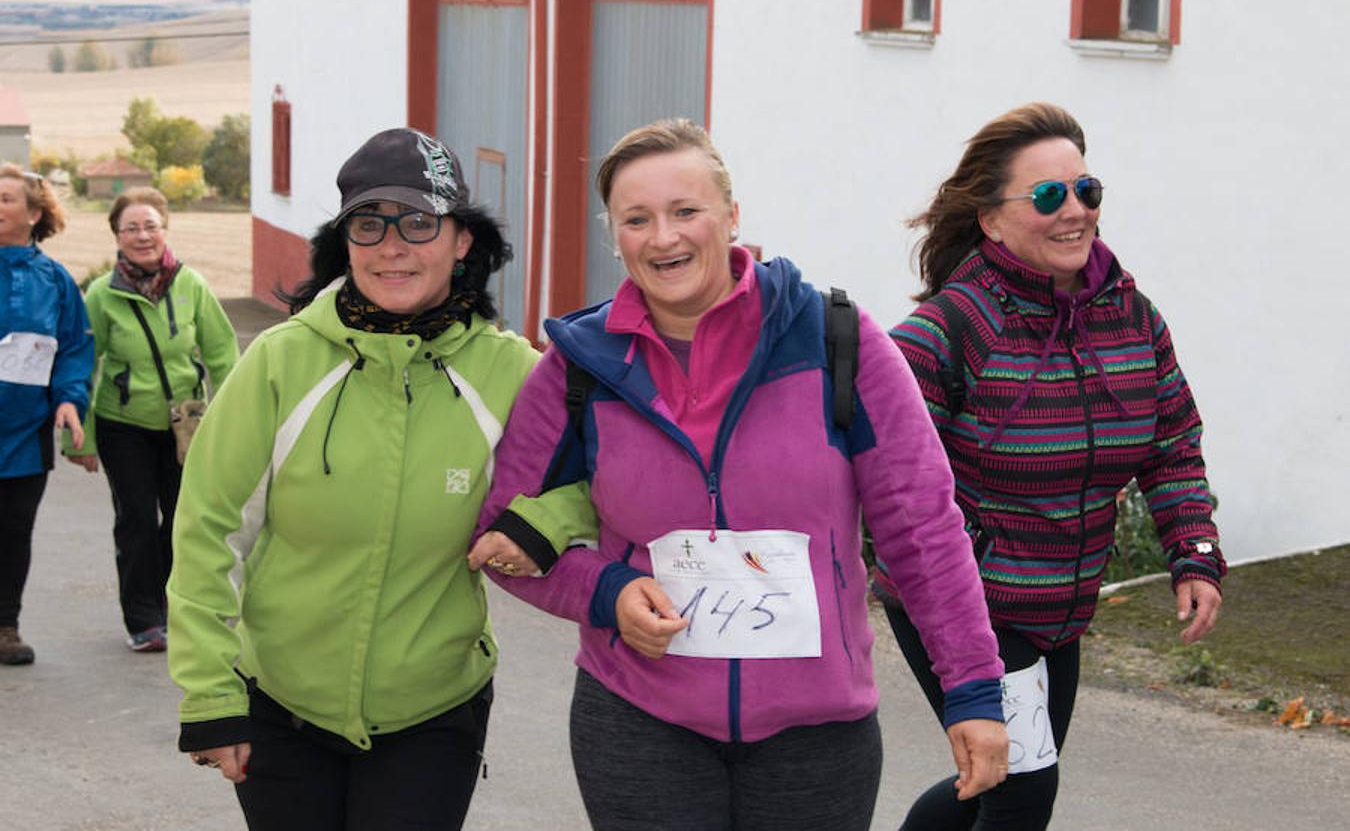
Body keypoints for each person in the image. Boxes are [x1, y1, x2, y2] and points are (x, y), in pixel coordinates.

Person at [468, 118, 1008, 831]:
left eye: (686, 210)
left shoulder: (837, 341)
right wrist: (607, 592)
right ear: (617, 236)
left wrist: (972, 692)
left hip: (818, 737)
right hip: (639, 722)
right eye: (638, 219)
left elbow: (924, 531)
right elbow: (501, 543)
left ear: (731, 217)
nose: (664, 237)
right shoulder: (580, 367)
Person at [166, 128, 552, 830]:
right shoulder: (280, 362)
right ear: (344, 240)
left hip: (434, 709)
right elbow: (207, 531)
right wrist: (209, 694)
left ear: (462, 240)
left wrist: (542, 527)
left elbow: (585, 483)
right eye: (369, 224)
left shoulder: (512, 372)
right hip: (281, 703)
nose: (392, 245)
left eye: (419, 222)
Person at [879, 102, 1225, 830]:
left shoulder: (1131, 317)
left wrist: (1192, 552)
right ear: (991, 220)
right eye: (1047, 196)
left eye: (1086, 190)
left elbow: (1171, 441)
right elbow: (891, 488)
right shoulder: (946, 332)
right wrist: (977, 563)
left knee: (994, 782)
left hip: (1058, 611)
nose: (1075, 211)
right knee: (1022, 793)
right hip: (964, 605)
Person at [64, 187, 238, 652]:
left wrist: (236, 419)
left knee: (183, 521)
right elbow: (84, 363)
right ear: (117, 237)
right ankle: (143, 619)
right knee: (137, 519)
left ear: (165, 229)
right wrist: (79, 439)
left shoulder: (192, 285)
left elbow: (223, 354)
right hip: (124, 424)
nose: (143, 236)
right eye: (131, 228)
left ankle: (175, 606)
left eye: (151, 226)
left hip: (186, 424)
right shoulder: (101, 295)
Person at [0, 164, 94, 666]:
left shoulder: (55, 281)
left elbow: (74, 349)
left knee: (13, 534)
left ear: (34, 213)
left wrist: (68, 400)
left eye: (6, 199)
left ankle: (5, 627)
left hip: (24, 435)